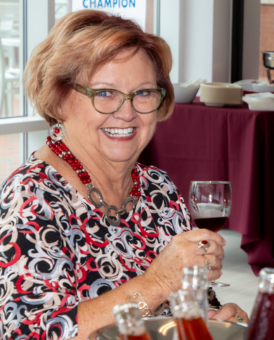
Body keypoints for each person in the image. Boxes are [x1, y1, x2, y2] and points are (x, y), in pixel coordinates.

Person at [0, 10, 247, 340]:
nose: (128, 112)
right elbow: (31, 334)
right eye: (104, 93)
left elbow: (165, 305)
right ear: (58, 99)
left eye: (143, 93)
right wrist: (156, 283)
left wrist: (211, 317)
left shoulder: (157, 188)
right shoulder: (32, 197)